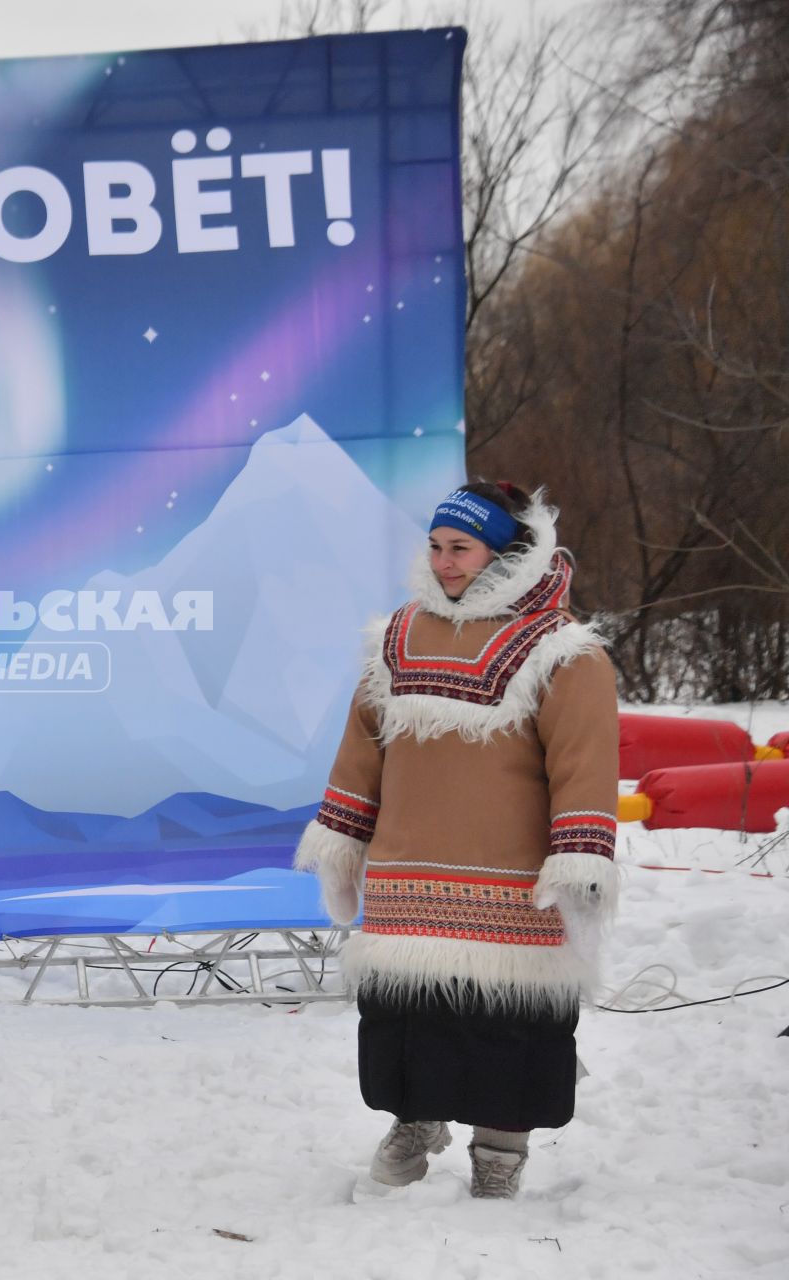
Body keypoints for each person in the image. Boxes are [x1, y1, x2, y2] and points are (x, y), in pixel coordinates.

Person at [295, 482, 619, 1200]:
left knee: (510, 1020)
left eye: (460, 549)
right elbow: (363, 746)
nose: (444, 563)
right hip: (408, 874)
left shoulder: (563, 650)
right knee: (410, 1015)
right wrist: (344, 837)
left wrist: (580, 858)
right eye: (437, 547)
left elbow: (584, 760)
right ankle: (416, 1118)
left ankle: (501, 1146)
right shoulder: (398, 638)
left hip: (513, 882)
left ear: (503, 553)